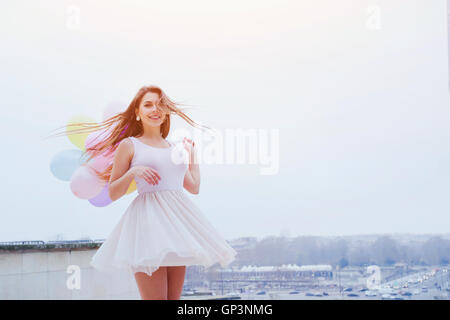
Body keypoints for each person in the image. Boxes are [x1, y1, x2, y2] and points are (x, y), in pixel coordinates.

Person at [51, 85, 237, 300]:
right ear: (137, 112)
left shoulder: (174, 147)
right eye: (148, 104)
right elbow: (112, 191)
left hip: (178, 228)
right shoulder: (129, 145)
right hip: (149, 228)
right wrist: (133, 172)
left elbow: (193, 187)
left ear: (166, 111)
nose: (154, 109)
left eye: (159, 105)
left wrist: (192, 156)